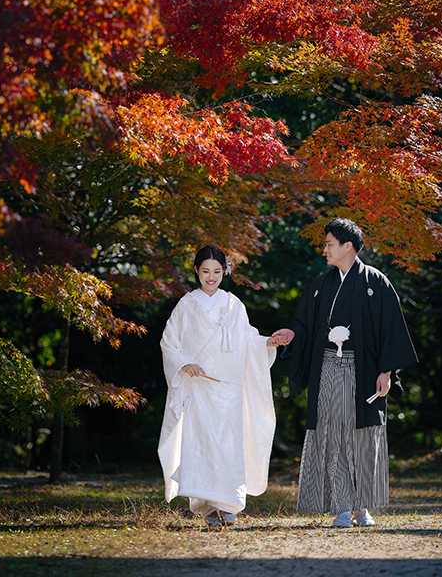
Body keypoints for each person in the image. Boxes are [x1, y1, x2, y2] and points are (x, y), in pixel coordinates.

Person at [272, 217, 417, 528]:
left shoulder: (376, 282)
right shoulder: (320, 286)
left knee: (364, 436)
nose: (324, 249)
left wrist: (386, 371)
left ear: (347, 246)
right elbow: (304, 324)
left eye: (329, 244)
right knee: (332, 434)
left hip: (364, 371)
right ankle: (340, 506)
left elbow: (390, 329)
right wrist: (292, 334)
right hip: (328, 368)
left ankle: (363, 508)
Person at [158, 245, 282, 526]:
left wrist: (267, 343)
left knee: (228, 446)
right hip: (199, 387)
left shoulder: (234, 304)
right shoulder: (186, 305)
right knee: (201, 445)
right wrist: (184, 364)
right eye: (205, 271)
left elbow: (248, 340)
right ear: (196, 272)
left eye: (217, 271)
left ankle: (228, 506)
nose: (211, 277)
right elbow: (169, 342)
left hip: (228, 390)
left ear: (224, 272)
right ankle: (208, 508)